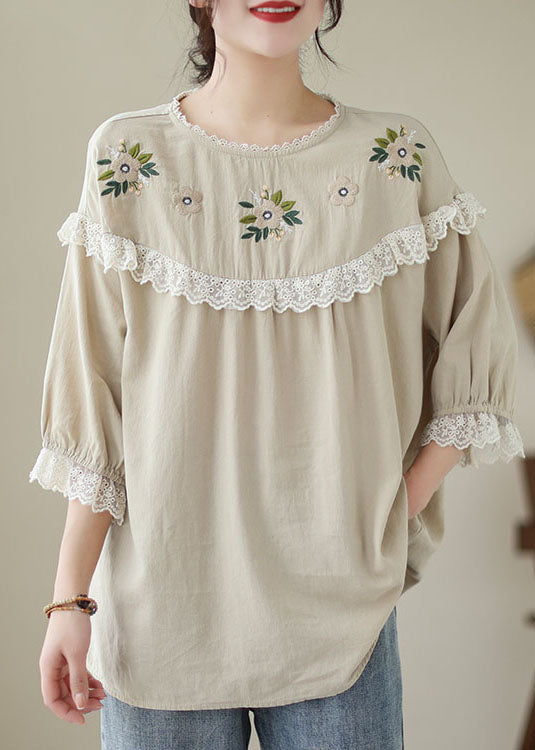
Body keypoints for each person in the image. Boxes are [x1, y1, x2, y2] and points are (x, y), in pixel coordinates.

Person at [29, 0, 525, 747]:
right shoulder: (128, 159)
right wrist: (69, 602)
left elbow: (476, 344)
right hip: (159, 612)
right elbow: (91, 395)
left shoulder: (394, 156)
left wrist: (393, 511)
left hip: (341, 617)